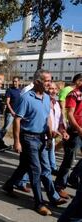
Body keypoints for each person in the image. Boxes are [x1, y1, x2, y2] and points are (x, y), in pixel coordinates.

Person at [2, 69, 67, 216]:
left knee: (32, 167)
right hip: (28, 138)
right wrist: (16, 141)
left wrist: (51, 133)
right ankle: (39, 203)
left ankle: (8, 185)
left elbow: (47, 118)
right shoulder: (26, 98)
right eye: (46, 81)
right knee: (36, 170)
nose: (49, 83)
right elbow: (17, 120)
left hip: (42, 138)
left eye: (50, 80)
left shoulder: (46, 98)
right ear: (37, 82)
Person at [55, 72, 82, 200]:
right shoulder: (74, 94)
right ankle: (59, 186)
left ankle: (74, 177)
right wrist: (78, 128)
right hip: (76, 132)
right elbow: (70, 114)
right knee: (68, 160)